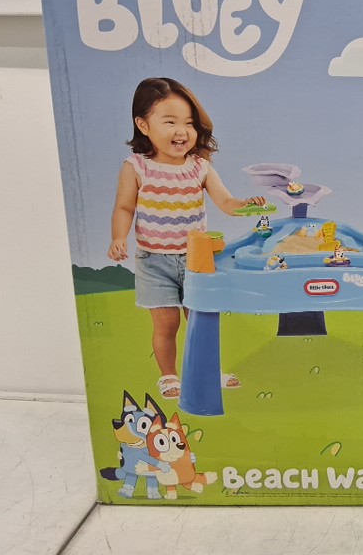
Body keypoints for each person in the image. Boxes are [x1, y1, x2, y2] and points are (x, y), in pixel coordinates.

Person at [107, 77, 266, 399]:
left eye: (189, 123)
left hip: (197, 259)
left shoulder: (199, 167)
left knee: (200, 323)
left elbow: (226, 202)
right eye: (170, 122)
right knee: (166, 325)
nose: (182, 131)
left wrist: (247, 205)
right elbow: (124, 207)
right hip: (154, 262)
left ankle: (207, 371)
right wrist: (118, 237)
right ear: (143, 125)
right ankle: (169, 377)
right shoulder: (136, 167)